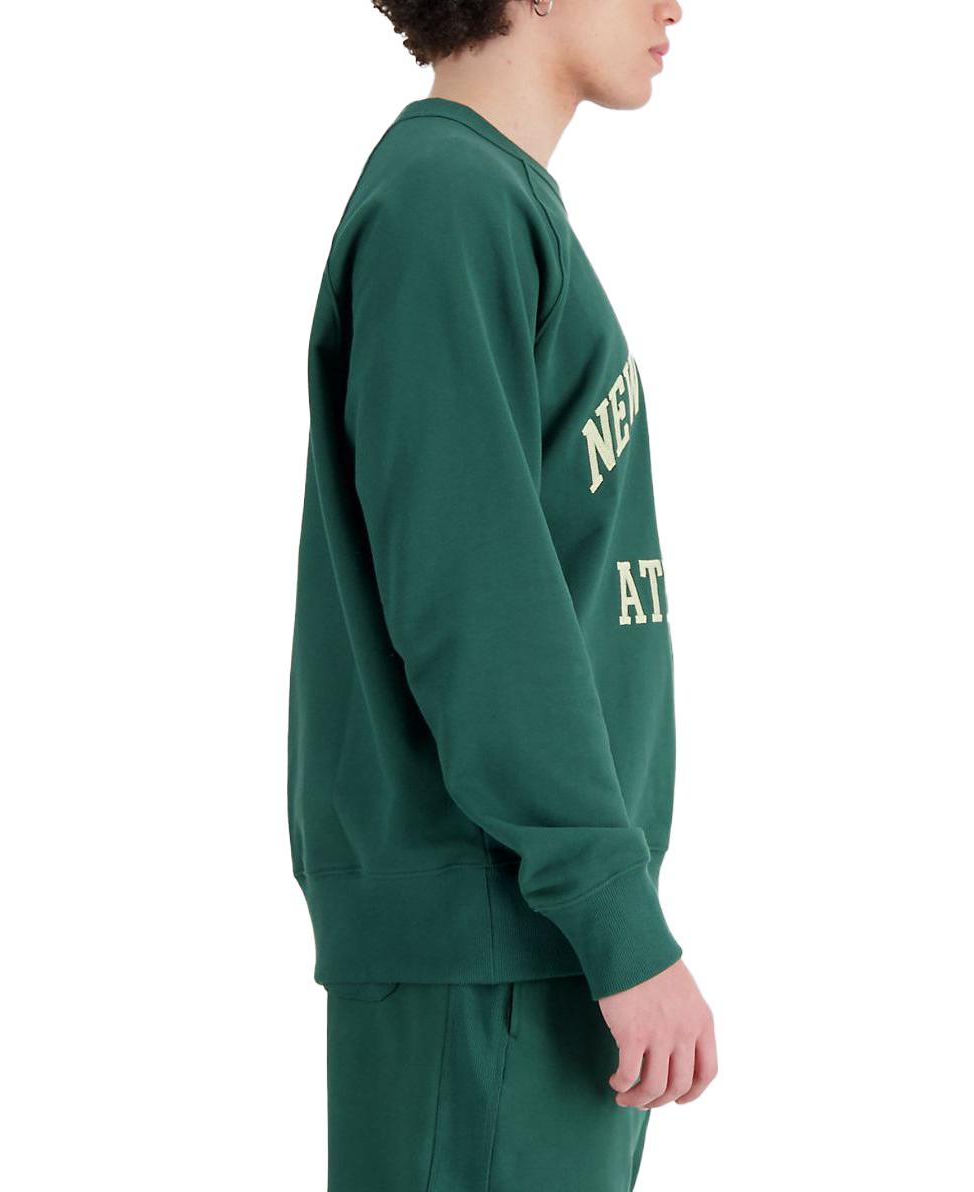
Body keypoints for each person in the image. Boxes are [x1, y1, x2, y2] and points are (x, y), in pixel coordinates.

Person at [287, 1, 717, 1186]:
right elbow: (477, 606)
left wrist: (607, 917)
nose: (674, 3)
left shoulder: (492, 201)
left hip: (531, 939)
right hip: (493, 941)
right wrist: (614, 915)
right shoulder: (446, 202)